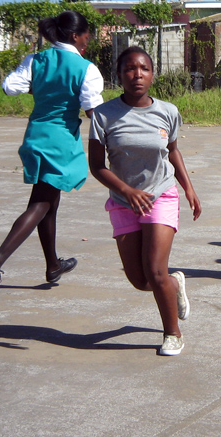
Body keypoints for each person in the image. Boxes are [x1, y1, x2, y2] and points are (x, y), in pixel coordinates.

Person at [0, 11, 103, 299]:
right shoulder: (86, 68)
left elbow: (10, 87)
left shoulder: (36, 60)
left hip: (35, 136)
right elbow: (93, 110)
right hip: (61, 141)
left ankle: (52, 265)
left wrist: (38, 83)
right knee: (40, 204)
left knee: (48, 201)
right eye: (87, 35)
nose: (88, 40)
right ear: (76, 35)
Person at [88, 47, 201, 356]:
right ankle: (174, 284)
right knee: (140, 280)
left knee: (154, 269)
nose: (137, 75)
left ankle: (172, 333)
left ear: (153, 74)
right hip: (124, 201)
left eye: (144, 69)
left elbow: (173, 151)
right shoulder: (103, 115)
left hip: (161, 194)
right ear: (119, 73)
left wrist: (188, 187)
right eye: (129, 69)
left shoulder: (168, 111)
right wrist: (127, 192)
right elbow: (97, 166)